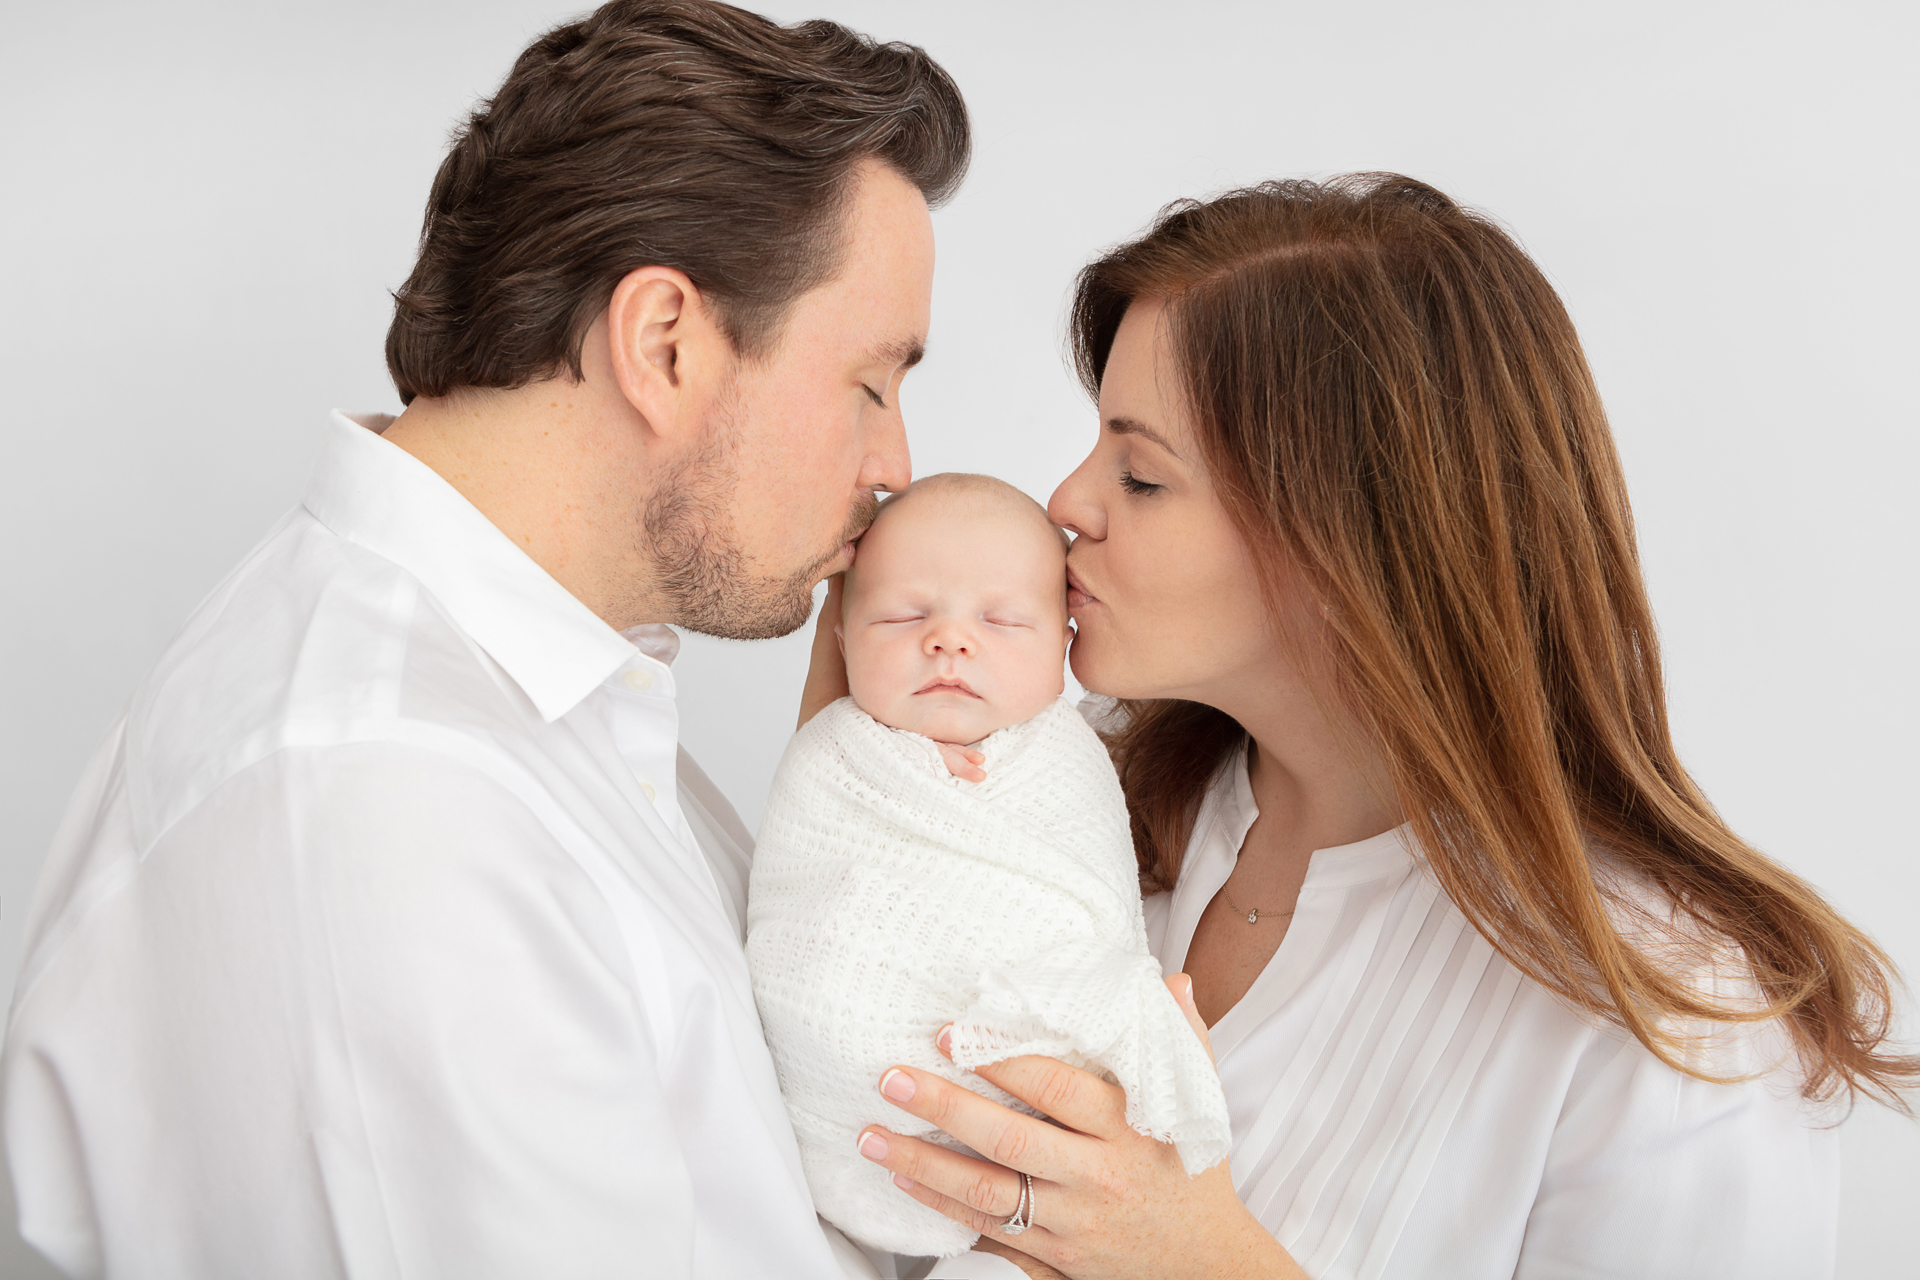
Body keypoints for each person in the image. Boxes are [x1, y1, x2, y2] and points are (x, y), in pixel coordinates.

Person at [0, 3, 1003, 1277]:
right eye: (872, 379)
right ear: (665, 343)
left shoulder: (536, 700)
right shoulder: (391, 799)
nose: (895, 465)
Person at [834, 175, 1919, 1279]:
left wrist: (1198, 1260)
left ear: (1347, 536)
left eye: (1142, 472)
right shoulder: (1065, 816)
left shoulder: (1680, 1029)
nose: (1068, 499)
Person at [748, 474, 1228, 1259]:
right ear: (841, 634)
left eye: (1002, 621)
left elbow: (1089, 917)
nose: (948, 641)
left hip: (1047, 1152)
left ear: (1065, 647)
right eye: (904, 616)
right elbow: (804, 904)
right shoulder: (833, 756)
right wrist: (907, 772)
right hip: (836, 1126)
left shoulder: (1074, 756)